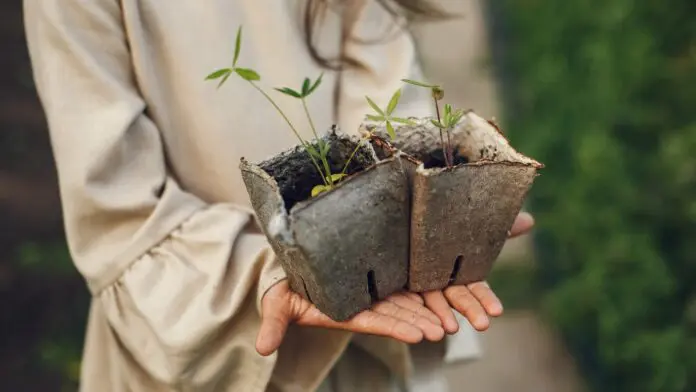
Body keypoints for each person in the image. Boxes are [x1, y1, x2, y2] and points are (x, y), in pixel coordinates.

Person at [24, 0, 535, 391]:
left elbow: (388, 105)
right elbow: (121, 215)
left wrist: (425, 205)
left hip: (365, 333)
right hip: (206, 331)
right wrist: (272, 274)